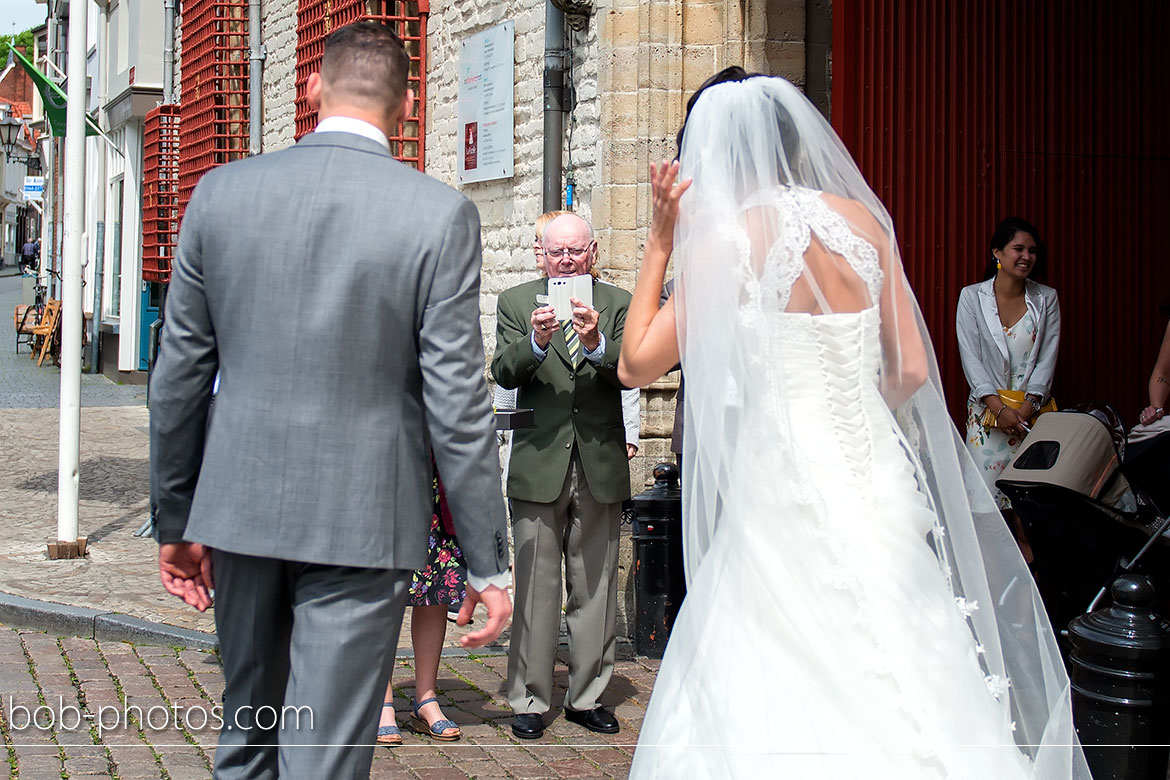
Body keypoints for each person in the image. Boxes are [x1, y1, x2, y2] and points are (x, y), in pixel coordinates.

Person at [617, 68, 1088, 777]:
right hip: (872, 474)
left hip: (778, 484)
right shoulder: (864, 223)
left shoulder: (727, 241)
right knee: (902, 634)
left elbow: (635, 363)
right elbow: (911, 373)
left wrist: (660, 240)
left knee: (779, 649)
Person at [149, 23, 511, 779]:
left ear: (311, 87)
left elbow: (178, 373)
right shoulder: (438, 215)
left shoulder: (221, 194)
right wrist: (486, 561)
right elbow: (456, 399)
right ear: (410, 106)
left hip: (240, 509)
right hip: (364, 517)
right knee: (324, 752)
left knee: (248, 733)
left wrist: (176, 519)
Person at [492, 212, 631, 740]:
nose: (566, 260)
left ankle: (587, 695)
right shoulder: (516, 301)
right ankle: (528, 697)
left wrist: (595, 344)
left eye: (575, 251)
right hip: (538, 459)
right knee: (534, 585)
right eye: (556, 253)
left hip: (598, 460)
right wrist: (534, 342)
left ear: (593, 252)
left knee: (594, 584)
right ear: (539, 254)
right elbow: (503, 371)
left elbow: (630, 370)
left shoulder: (617, 303)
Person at [956, 217, 1060, 560]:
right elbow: (971, 357)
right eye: (1018, 248)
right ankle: (991, 576)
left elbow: (1047, 358)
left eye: (1032, 250)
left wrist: (1028, 406)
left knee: (1027, 508)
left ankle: (1031, 583)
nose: (1026, 256)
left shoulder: (1046, 299)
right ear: (997, 252)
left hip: (1031, 417)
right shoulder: (971, 297)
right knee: (987, 507)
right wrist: (998, 409)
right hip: (988, 418)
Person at [375, 462, 469, 745]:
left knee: (435, 591)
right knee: (383, 591)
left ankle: (425, 698)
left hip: (435, 477)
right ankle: (381, 700)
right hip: (385, 473)